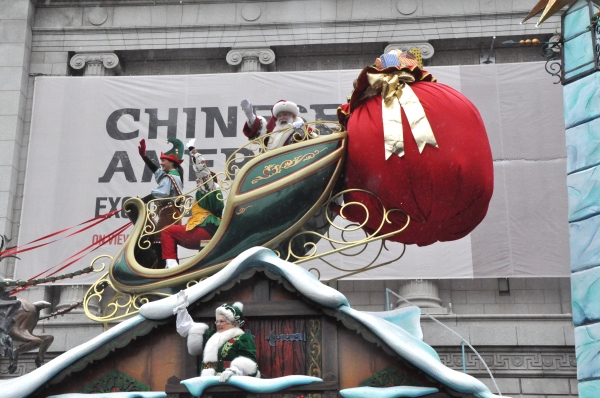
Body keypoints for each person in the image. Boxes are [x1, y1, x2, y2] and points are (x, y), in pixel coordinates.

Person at [174, 291, 259, 381]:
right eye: (217, 321)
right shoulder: (211, 336)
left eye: (221, 321)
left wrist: (234, 371)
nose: (218, 324)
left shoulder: (243, 338)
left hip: (230, 383)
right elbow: (188, 328)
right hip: (207, 383)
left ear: (233, 323)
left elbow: (249, 361)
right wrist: (182, 309)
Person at [137, 138, 185, 268]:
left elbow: (161, 193)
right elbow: (157, 171)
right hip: (169, 214)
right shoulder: (172, 175)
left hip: (168, 215)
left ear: (172, 163)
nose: (161, 163)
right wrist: (144, 157)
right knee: (166, 245)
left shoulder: (170, 177)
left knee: (160, 243)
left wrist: (142, 201)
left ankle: (166, 270)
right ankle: (168, 269)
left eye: (163, 160)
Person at [161, 183, 223, 269]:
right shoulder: (215, 194)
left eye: (200, 180)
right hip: (211, 231)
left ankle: (171, 267)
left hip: (206, 230)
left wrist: (204, 177)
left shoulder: (208, 190)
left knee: (167, 231)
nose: (197, 181)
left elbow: (204, 176)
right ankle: (172, 265)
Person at [240, 99, 306, 150]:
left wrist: (303, 133)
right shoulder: (272, 133)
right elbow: (260, 136)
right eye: (279, 116)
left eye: (285, 115)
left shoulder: (300, 126)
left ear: (293, 116)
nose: (282, 118)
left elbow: (313, 143)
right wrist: (251, 117)